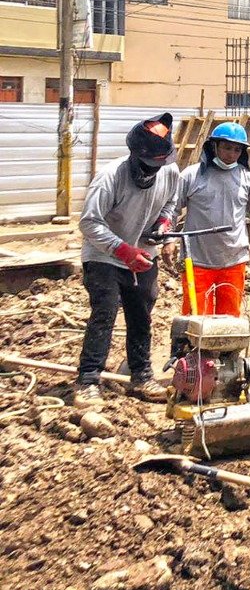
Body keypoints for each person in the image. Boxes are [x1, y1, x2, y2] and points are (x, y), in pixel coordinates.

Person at [75, 113, 180, 407]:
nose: (155, 170)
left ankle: (141, 376)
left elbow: (171, 201)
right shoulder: (110, 178)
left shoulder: (170, 172)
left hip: (144, 254)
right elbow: (89, 223)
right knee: (104, 314)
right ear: (136, 156)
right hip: (104, 256)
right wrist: (122, 250)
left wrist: (163, 223)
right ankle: (88, 379)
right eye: (150, 164)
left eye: (160, 163)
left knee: (141, 316)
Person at [172, 122, 250, 320]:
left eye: (237, 149)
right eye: (227, 147)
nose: (231, 154)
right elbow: (172, 208)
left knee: (230, 319)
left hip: (233, 260)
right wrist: (170, 240)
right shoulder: (191, 176)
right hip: (197, 261)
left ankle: (227, 352)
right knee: (196, 319)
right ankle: (194, 351)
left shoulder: (247, 179)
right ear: (214, 146)